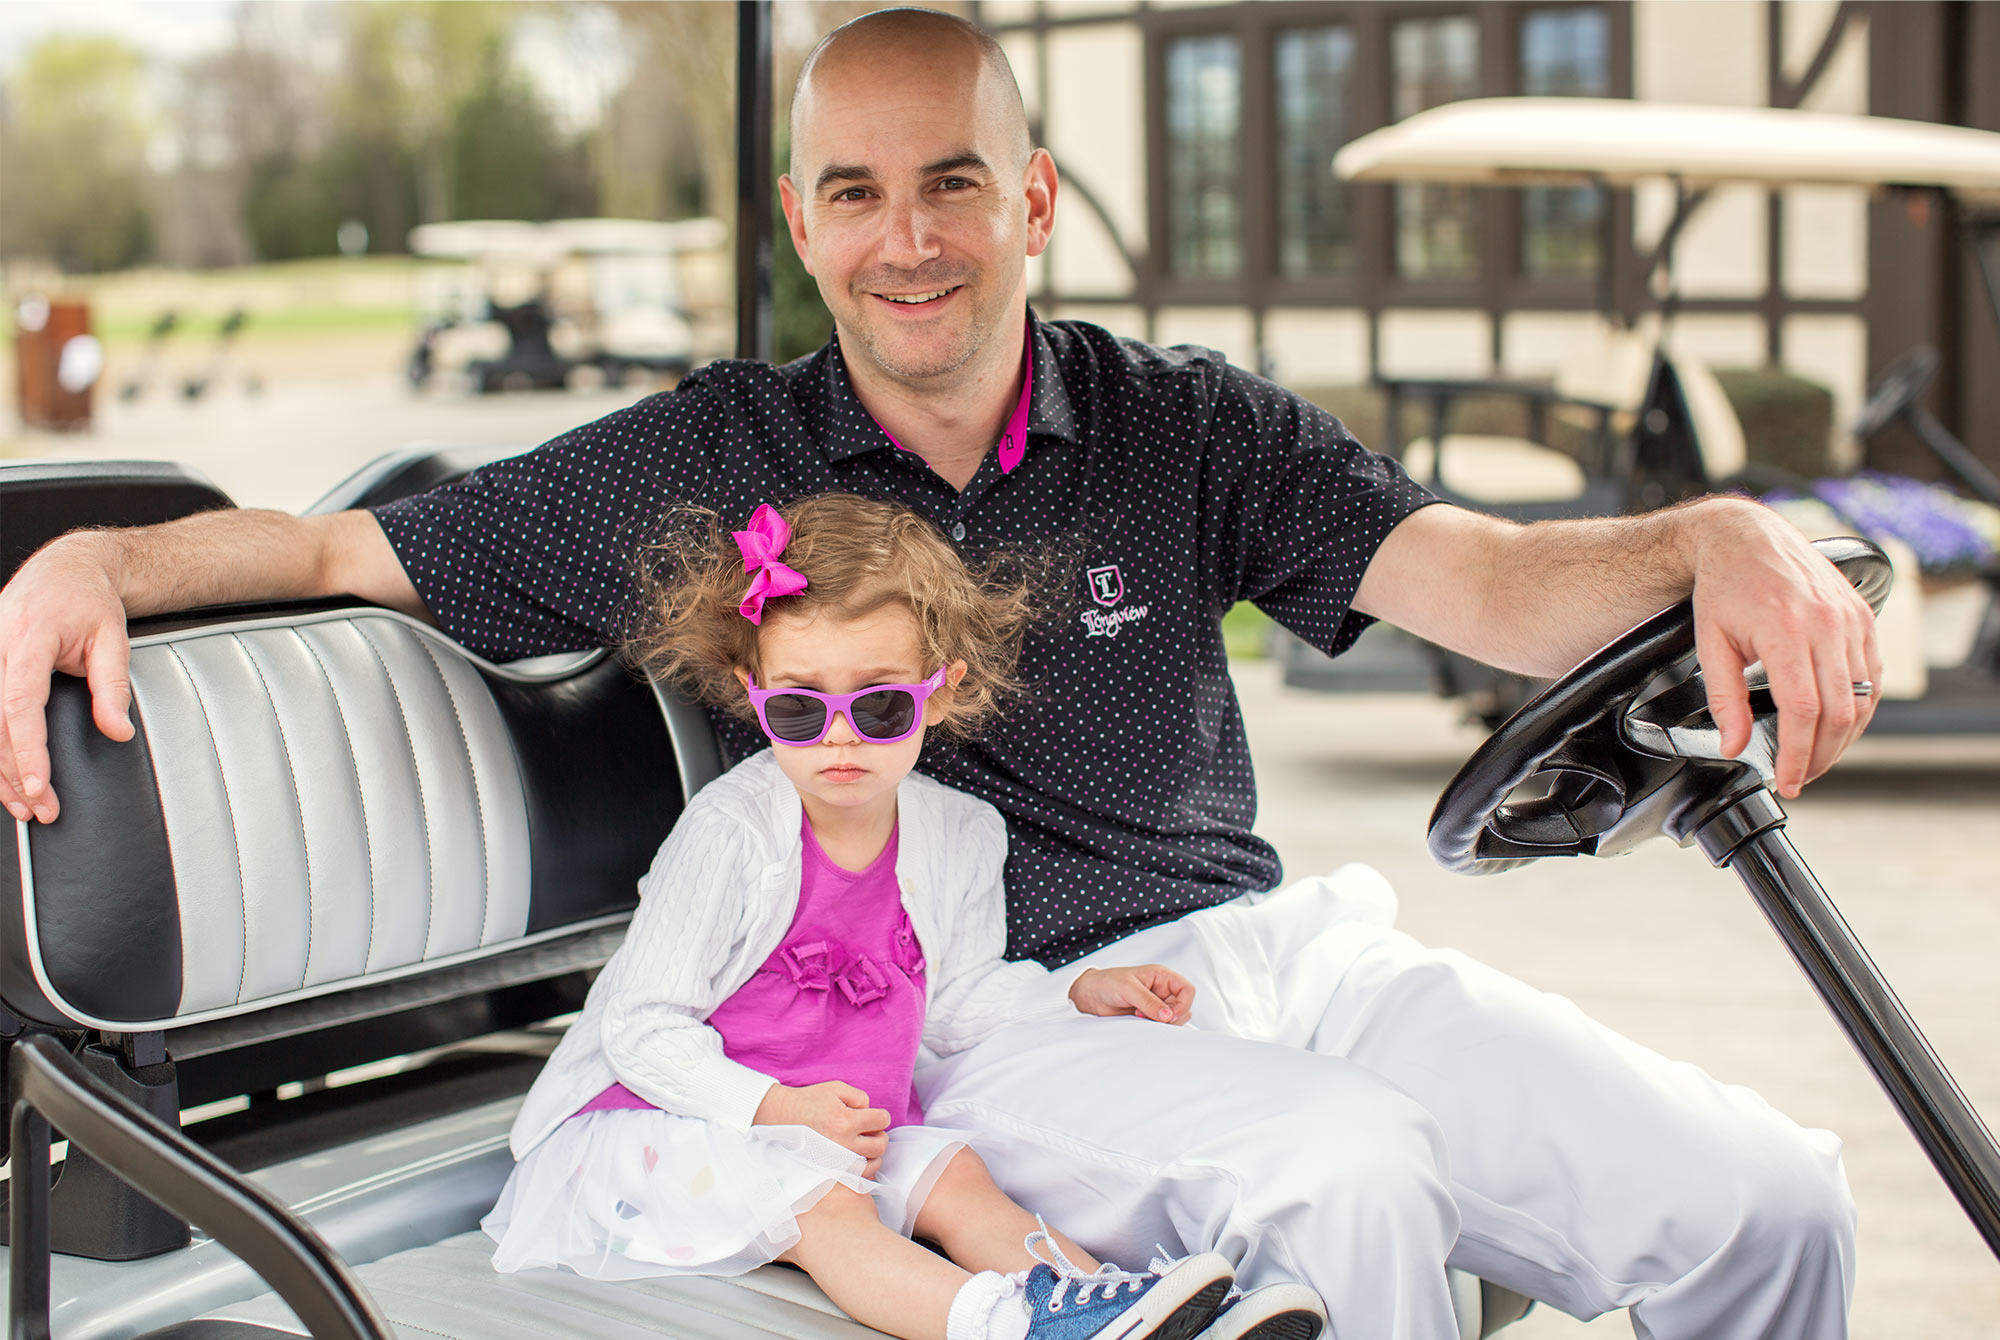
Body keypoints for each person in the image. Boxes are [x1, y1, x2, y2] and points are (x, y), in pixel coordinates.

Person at [0, 8, 1878, 1338]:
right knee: (1355, 1177)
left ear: (1035, 201)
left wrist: (1706, 540)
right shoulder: (717, 454)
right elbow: (346, 551)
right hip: (997, 1027)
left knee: (1775, 1204)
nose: (909, 241)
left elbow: (1485, 577)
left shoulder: (1186, 424)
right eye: (858, 192)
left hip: (1273, 953)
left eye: (955, 183)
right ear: (804, 221)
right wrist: (101, 560)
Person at [483, 494, 1322, 1340]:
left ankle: (1127, 1308)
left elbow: (951, 1005)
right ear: (754, 693)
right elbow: (640, 1027)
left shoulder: (961, 833)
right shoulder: (732, 831)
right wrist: (776, 1109)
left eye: (880, 706)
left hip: (830, 1132)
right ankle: (1014, 1326)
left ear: (940, 692)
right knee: (825, 1207)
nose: (839, 738)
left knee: (961, 1177)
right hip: (659, 1130)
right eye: (799, 709)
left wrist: (1074, 992)